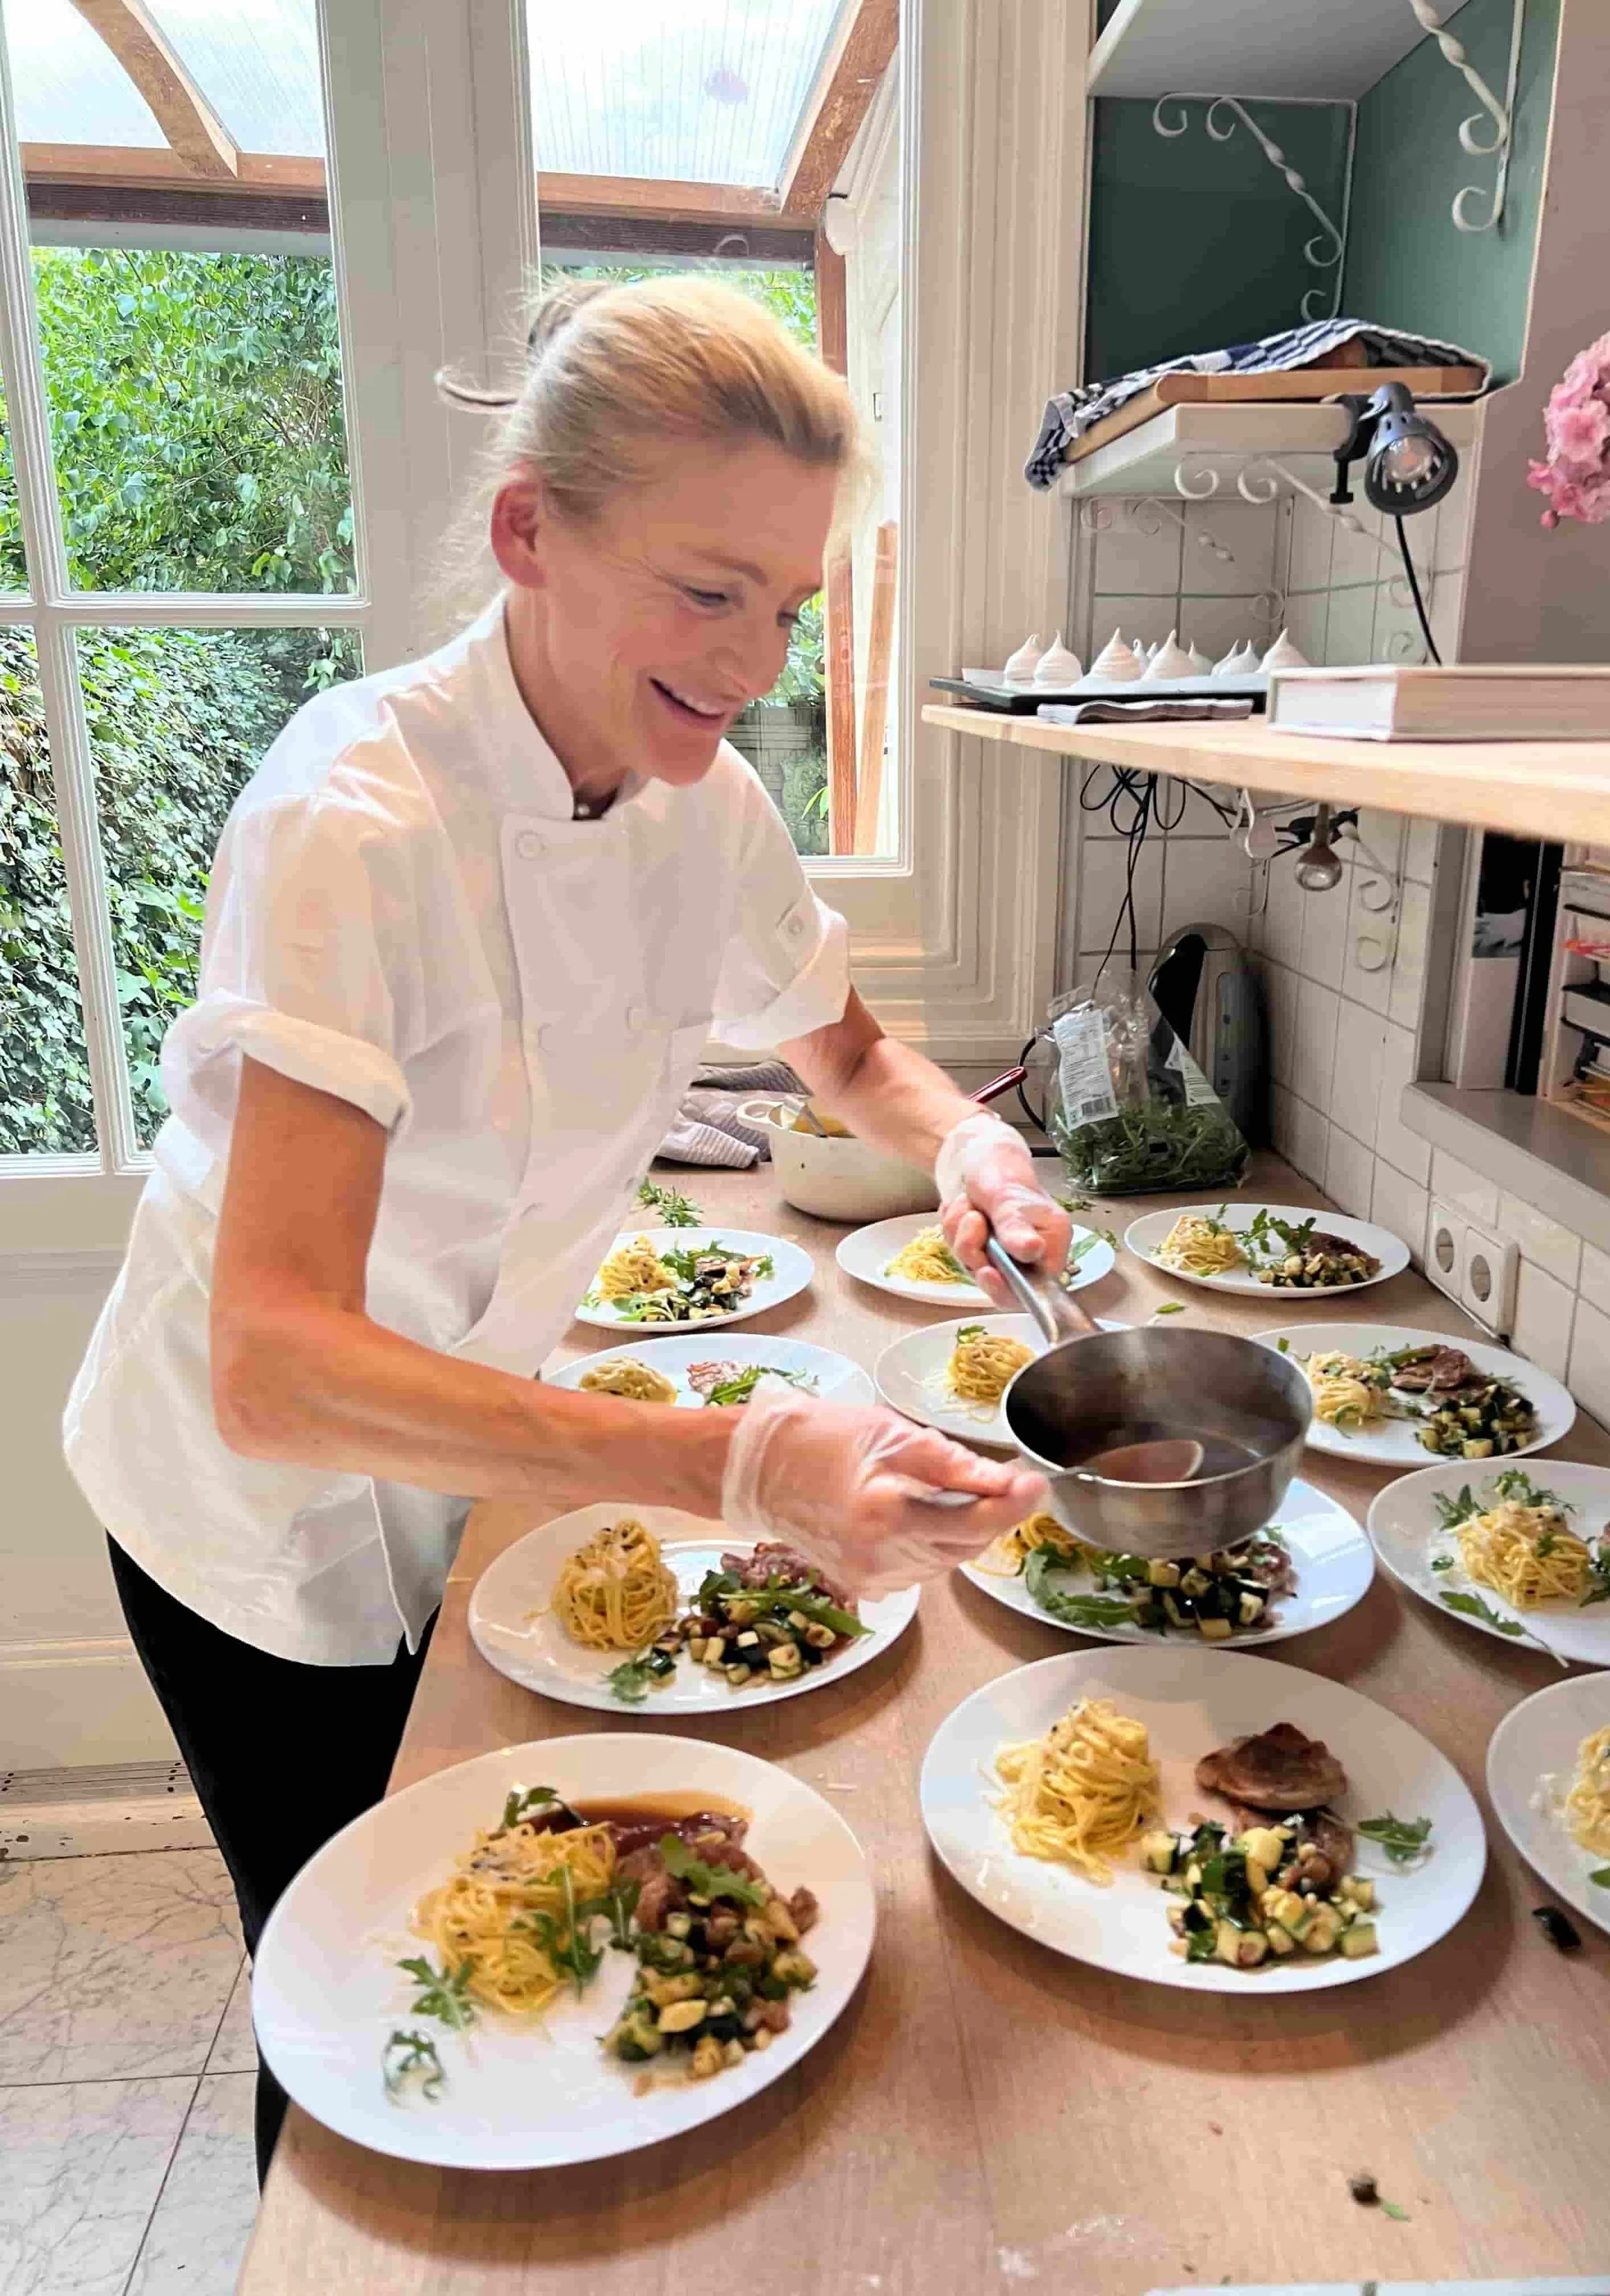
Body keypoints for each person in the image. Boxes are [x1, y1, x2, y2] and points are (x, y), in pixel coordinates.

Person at [63, 276, 1070, 2178]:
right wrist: (744, 1464)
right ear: (530, 530)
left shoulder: (707, 803)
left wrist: (967, 1152)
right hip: (248, 1513)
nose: (753, 660)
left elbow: (849, 1053)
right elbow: (273, 1367)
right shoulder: (353, 816)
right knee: (356, 1987)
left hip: (470, 1449)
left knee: (517, 1932)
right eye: (707, 592)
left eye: (786, 608)